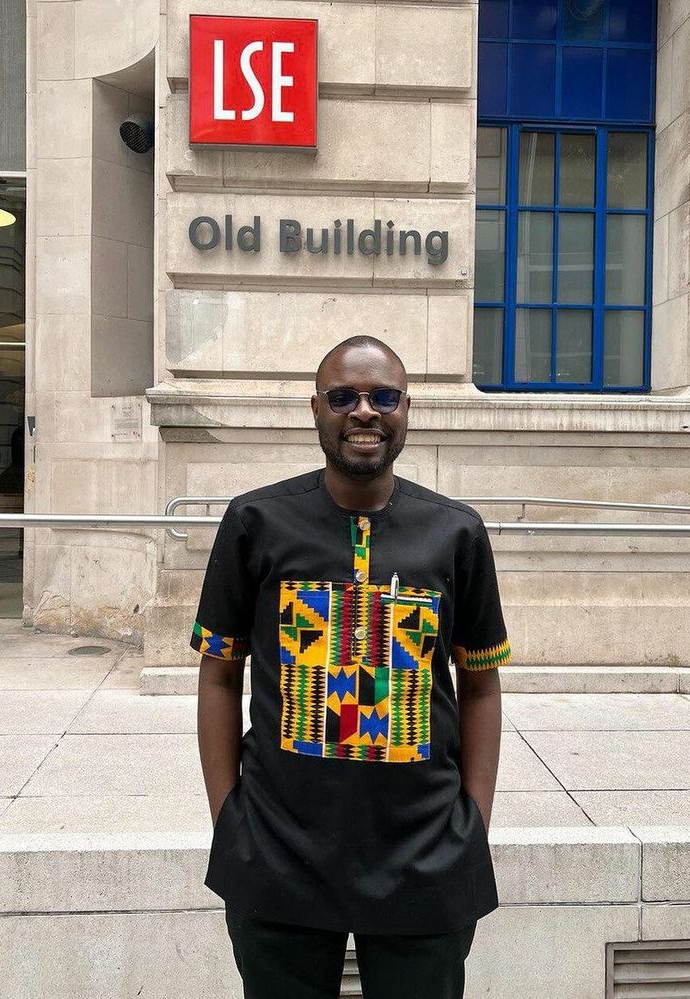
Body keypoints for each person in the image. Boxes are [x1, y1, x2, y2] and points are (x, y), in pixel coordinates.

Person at [193, 335, 510, 999]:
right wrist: (230, 817)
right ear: (316, 409)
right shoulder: (255, 522)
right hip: (278, 858)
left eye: (382, 396)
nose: (364, 411)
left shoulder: (456, 533)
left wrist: (473, 824)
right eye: (344, 397)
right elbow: (219, 674)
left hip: (426, 859)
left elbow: (480, 684)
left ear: (407, 409)